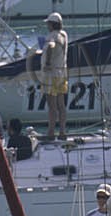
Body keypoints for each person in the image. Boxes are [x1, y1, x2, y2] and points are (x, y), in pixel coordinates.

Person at [40, 12, 70, 142]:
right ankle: (62, 132)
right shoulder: (64, 35)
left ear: (52, 24)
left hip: (51, 74)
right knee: (61, 105)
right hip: (61, 73)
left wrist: (47, 62)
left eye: (48, 23)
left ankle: (51, 132)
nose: (47, 26)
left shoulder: (52, 36)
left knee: (51, 105)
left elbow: (51, 46)